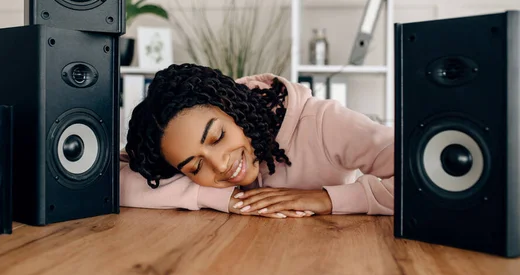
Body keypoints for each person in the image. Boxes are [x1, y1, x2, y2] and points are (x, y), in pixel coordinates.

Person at [120, 63, 394, 219]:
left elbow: (424, 181)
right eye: (195, 168)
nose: (220, 166)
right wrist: (225, 198)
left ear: (231, 107)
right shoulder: (190, 157)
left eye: (217, 137)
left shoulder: (324, 121)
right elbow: (109, 181)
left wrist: (325, 199)